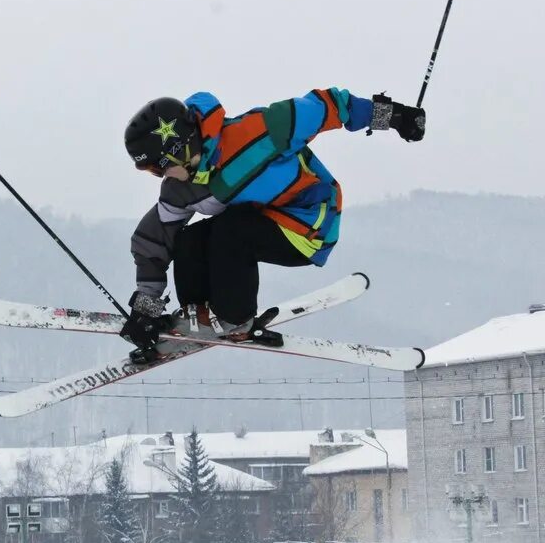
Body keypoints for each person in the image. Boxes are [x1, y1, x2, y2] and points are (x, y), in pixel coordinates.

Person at [117, 89, 425, 360]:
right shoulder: (181, 189)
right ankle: (198, 317)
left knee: (231, 228)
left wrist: (393, 116)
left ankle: (233, 318)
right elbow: (153, 239)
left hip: (309, 223)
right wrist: (147, 309)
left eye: (159, 168)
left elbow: (328, 106)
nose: (162, 176)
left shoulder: (259, 132)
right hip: (262, 220)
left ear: (179, 150)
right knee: (189, 239)